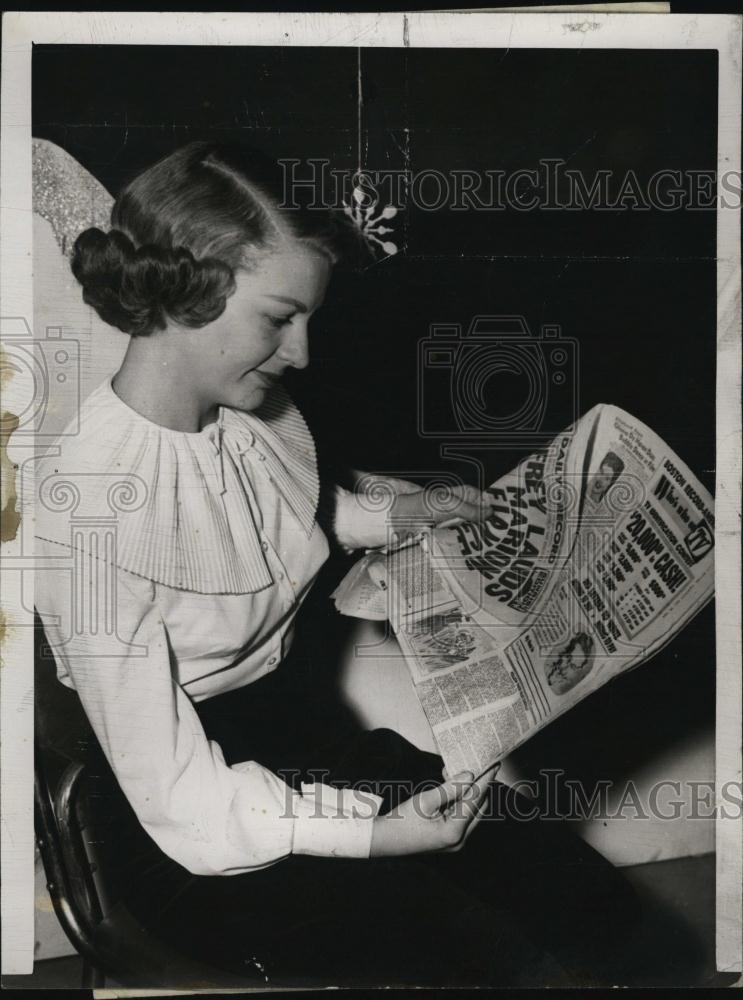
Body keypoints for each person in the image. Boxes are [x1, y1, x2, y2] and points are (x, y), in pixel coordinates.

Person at [34, 141, 640, 988]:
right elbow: (179, 797)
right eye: (279, 318)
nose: (302, 353)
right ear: (186, 290)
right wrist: (374, 835)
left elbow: (274, 515)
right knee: (465, 954)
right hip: (187, 818)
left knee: (577, 894)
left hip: (302, 738)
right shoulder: (90, 512)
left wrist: (400, 514)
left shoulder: (248, 418)